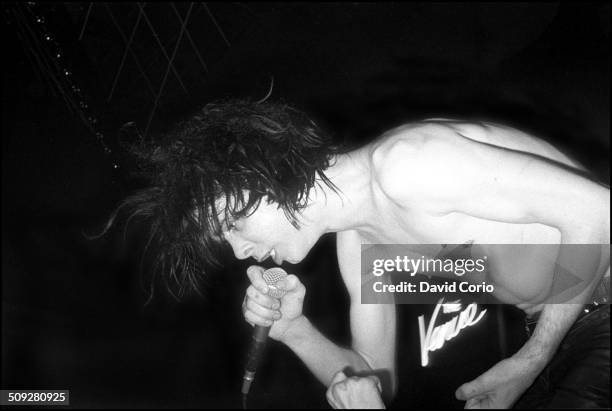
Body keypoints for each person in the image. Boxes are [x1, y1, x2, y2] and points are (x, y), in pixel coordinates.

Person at [110, 98, 610, 408]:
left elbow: (601, 212)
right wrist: (295, 331)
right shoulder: (363, 240)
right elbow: (375, 378)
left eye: (233, 224)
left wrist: (530, 359)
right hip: (564, 328)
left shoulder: (406, 167)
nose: (242, 252)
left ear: (266, 176)